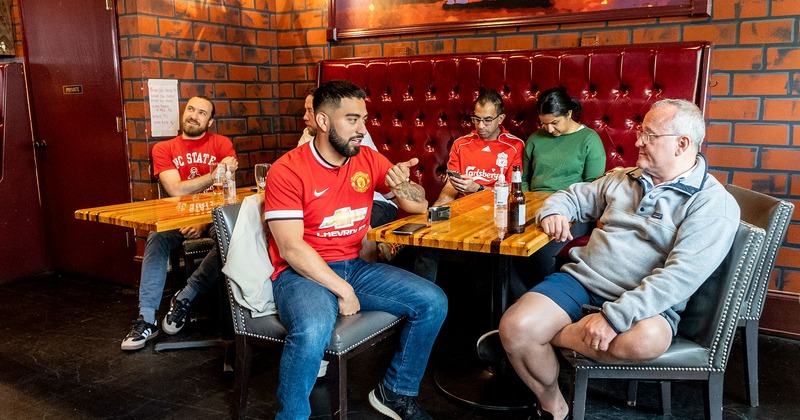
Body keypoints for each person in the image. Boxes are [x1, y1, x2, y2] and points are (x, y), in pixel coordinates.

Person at [497, 99, 740, 419]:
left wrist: (615, 317)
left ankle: (540, 336)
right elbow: (571, 196)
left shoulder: (712, 205)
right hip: (582, 281)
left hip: (645, 305)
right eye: (641, 131)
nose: (638, 140)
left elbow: (679, 277)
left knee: (646, 340)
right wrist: (555, 212)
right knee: (516, 327)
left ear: (682, 144)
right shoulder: (623, 177)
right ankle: (554, 406)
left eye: (650, 135)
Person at [264, 80, 448, 420]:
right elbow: (291, 247)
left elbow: (420, 207)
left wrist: (402, 184)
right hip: (302, 273)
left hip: (353, 264)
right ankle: (291, 416)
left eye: (363, 119)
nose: (363, 129)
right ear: (323, 122)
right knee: (312, 329)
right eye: (352, 119)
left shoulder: (368, 159)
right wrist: (342, 289)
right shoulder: (287, 170)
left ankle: (394, 393)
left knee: (433, 301)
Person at [121, 96, 238, 351]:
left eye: (202, 113)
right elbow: (175, 190)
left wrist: (201, 219)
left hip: (213, 216)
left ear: (210, 121)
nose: (194, 115)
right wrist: (213, 175)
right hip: (177, 218)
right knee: (155, 238)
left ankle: (185, 296)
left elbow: (228, 183)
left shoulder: (222, 143)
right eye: (191, 109)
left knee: (231, 239)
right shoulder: (164, 149)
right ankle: (147, 319)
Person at [413, 89, 525, 281]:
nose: (481, 125)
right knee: (427, 241)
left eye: (487, 120)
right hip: (461, 212)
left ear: (501, 118)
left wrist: (478, 189)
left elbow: (511, 194)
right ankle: (421, 300)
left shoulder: (514, 146)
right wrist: (432, 216)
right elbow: (449, 189)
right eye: (476, 119)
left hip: (495, 214)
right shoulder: (461, 144)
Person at [514, 87, 606, 292]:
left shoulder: (589, 139)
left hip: (574, 211)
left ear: (569, 114)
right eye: (543, 123)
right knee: (507, 246)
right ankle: (518, 301)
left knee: (540, 250)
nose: (548, 129)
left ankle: (543, 300)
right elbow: (525, 179)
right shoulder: (535, 139)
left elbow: (593, 188)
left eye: (554, 123)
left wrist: (561, 209)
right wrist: (527, 202)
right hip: (533, 205)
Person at [298, 88, 398, 262]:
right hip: (337, 202)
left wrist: (400, 181)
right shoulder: (307, 137)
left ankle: (384, 251)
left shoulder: (350, 138)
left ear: (322, 117)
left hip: (376, 200)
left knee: (356, 225)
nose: (305, 117)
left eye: (309, 111)